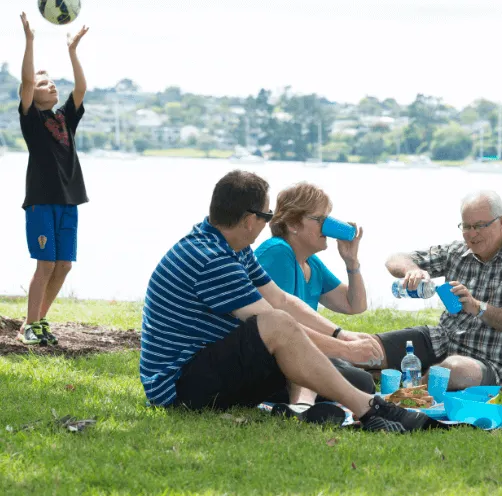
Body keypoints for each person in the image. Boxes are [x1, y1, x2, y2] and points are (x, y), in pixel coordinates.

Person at [139, 170, 438, 433]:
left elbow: (281, 299)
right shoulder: (211, 259)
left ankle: (306, 408)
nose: (269, 223)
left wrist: (341, 336)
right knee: (279, 326)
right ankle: (368, 408)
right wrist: (348, 350)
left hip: (204, 371)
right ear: (247, 220)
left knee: (346, 371)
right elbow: (274, 324)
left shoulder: (232, 248)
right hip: (178, 389)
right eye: (266, 216)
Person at [370, 190, 502, 390]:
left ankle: (407, 392)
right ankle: (352, 373)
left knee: (451, 370)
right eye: (466, 226)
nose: (472, 234)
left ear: (501, 222)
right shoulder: (457, 251)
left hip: (486, 362)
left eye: (480, 225)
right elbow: (394, 260)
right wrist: (412, 270)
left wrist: (477, 307)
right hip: (440, 340)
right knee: (365, 348)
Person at [254, 182, 374, 404]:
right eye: (320, 220)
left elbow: (354, 305)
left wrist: (352, 262)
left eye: (328, 219)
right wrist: (344, 347)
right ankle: (299, 404)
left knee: (360, 377)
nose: (327, 226)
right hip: (269, 362)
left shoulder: (311, 263)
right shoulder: (278, 252)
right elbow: (284, 327)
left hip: (297, 356)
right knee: (361, 380)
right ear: (292, 224)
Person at [16, 12, 90, 346]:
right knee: (45, 264)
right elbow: (27, 83)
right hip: (42, 200)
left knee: (63, 266)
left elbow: (81, 87)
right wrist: (30, 41)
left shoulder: (66, 118)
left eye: (51, 82)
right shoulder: (31, 118)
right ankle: (30, 325)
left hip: (69, 200)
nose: (51, 85)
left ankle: (39, 322)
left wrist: (73, 51)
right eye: (44, 83)